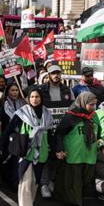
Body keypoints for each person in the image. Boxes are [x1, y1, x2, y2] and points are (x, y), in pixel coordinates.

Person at [0, 88, 53, 206]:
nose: (34, 99)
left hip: (41, 152)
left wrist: (55, 149)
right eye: (32, 97)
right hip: (25, 152)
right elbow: (9, 129)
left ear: (41, 98)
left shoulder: (47, 114)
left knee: (35, 181)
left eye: (37, 97)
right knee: (25, 182)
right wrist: (0, 145)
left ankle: (29, 204)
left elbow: (50, 134)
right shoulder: (22, 113)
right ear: (28, 98)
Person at [54, 92, 99, 206]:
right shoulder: (71, 116)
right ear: (83, 102)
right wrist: (60, 149)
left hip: (89, 154)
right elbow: (59, 133)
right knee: (74, 180)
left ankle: (77, 200)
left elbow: (98, 132)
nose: (93, 107)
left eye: (95, 104)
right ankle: (76, 203)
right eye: (91, 104)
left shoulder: (94, 116)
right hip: (74, 154)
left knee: (86, 179)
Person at [39, 65, 74, 198]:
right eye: (53, 73)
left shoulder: (67, 90)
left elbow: (72, 107)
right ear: (48, 75)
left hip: (61, 129)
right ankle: (43, 184)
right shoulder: (42, 89)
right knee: (46, 156)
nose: (56, 76)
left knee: (57, 156)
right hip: (46, 128)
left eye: (58, 73)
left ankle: (51, 180)